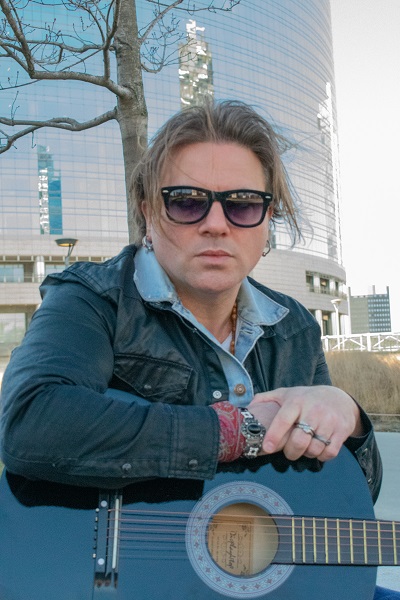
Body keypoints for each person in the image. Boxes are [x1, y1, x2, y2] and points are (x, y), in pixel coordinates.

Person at [0, 100, 397, 599]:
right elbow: (32, 419)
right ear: (148, 211)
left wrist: (349, 419)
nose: (216, 224)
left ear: (267, 220)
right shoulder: (95, 298)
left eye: (243, 204)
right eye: (187, 202)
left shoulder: (292, 326)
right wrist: (237, 430)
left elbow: (341, 503)